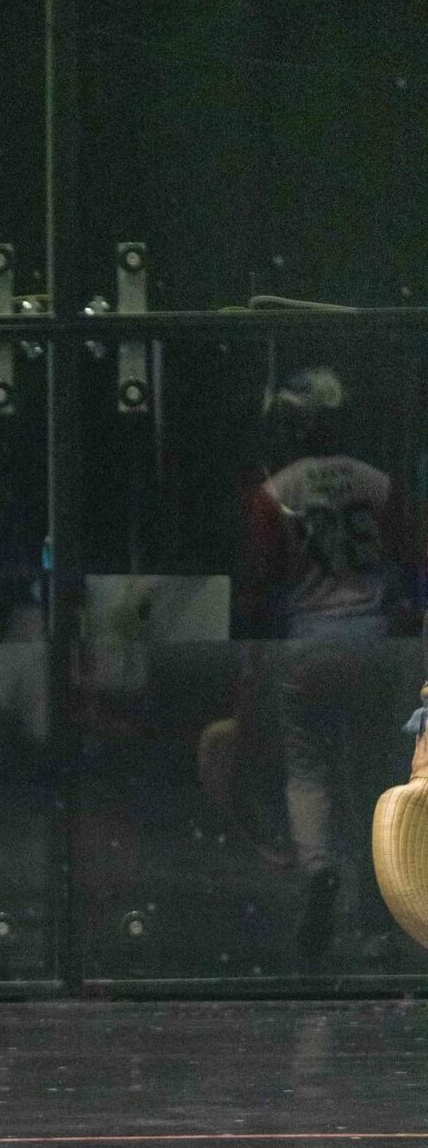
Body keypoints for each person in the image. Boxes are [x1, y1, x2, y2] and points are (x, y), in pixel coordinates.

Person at [241, 366, 409, 960]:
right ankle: (380, 894)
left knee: (308, 767)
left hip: (308, 642)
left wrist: (254, 654)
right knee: (372, 771)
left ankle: (317, 870)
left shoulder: (275, 492)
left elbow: (260, 583)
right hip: (373, 640)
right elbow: (408, 563)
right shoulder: (379, 485)